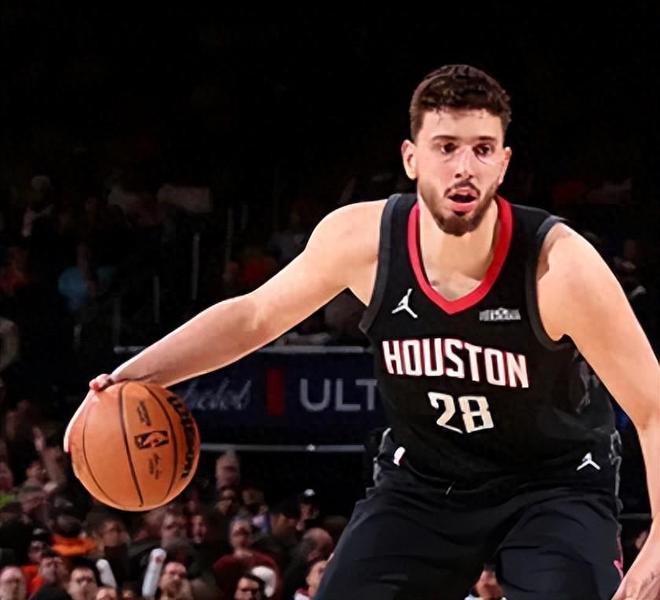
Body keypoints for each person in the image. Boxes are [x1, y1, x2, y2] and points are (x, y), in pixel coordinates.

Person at [76, 65, 660, 599]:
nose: (464, 167)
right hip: (425, 481)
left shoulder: (560, 267)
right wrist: (128, 376)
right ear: (411, 158)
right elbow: (254, 316)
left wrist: (658, 544)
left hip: (552, 484)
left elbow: (653, 407)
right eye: (446, 147)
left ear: (503, 163)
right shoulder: (362, 242)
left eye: (482, 149)